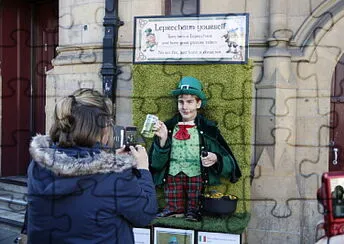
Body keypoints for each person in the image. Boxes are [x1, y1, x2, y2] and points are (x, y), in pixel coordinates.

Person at [26, 88, 158, 244]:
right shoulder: (115, 175)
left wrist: (110, 159)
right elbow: (145, 214)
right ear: (103, 128)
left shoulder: (38, 165)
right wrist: (143, 169)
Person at [149, 76, 241, 222]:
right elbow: (155, 164)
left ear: (198, 103)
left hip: (196, 173)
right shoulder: (168, 127)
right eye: (181, 102)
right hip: (173, 172)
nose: (185, 107)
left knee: (195, 193)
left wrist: (215, 158)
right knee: (173, 190)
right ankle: (174, 208)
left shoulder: (208, 129)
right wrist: (163, 140)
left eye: (190, 102)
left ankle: (194, 210)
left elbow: (226, 156)